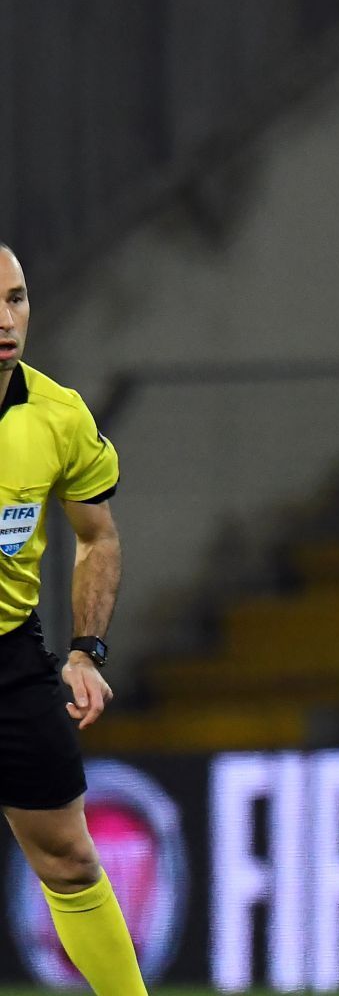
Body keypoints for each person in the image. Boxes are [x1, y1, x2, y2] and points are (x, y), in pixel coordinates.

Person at [0, 243, 144, 995]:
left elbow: (98, 536)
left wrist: (85, 650)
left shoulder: (57, 415)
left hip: (10, 661)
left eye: (17, 299)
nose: (6, 319)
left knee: (70, 858)